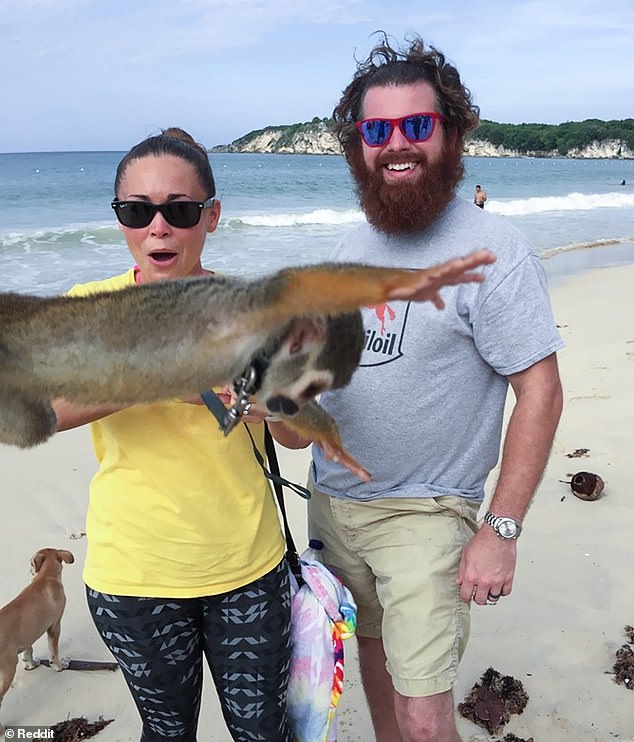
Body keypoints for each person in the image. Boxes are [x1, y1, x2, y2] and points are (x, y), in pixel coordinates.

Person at [278, 34, 564, 742]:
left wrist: (500, 531)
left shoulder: (494, 252)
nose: (396, 144)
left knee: (425, 716)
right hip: (335, 506)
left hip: (428, 514)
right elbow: (303, 407)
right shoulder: (346, 252)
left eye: (416, 125)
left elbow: (542, 391)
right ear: (358, 145)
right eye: (378, 130)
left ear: (452, 131)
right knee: (375, 681)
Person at [52, 128, 301, 742]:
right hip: (132, 578)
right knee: (166, 733)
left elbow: (297, 435)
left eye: (179, 210)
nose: (157, 228)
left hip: (247, 568)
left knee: (263, 732)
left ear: (211, 216)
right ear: (120, 220)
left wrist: (238, 396)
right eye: (138, 211)